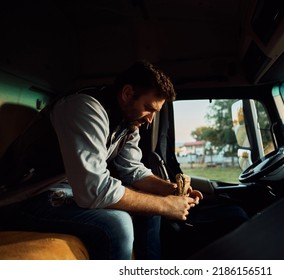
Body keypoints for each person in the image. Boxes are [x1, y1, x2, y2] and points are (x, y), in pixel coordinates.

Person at [0, 60, 203, 260]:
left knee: (150, 211)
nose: (150, 119)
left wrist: (170, 190)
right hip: (24, 198)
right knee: (117, 223)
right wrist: (165, 205)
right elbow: (94, 190)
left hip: (68, 187)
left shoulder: (130, 123)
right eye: (148, 108)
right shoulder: (83, 108)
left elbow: (133, 170)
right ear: (127, 94)